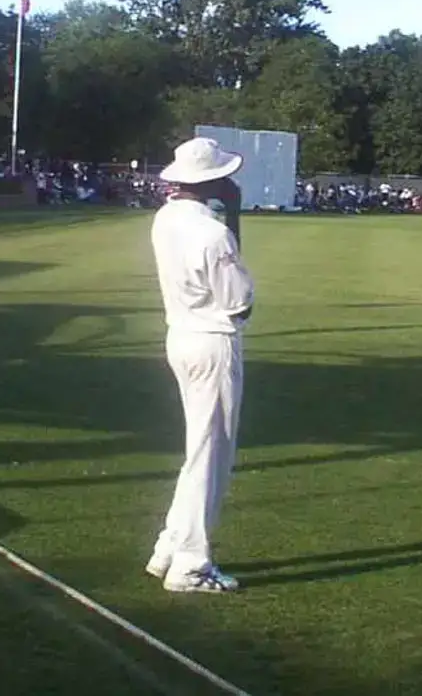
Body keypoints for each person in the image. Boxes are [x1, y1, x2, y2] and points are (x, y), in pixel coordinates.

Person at [146, 136, 254, 594]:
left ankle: (170, 545)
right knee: (211, 458)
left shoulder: (165, 217)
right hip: (213, 341)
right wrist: (233, 217)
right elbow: (239, 303)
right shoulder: (212, 232)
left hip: (181, 336)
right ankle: (190, 565)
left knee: (201, 452)